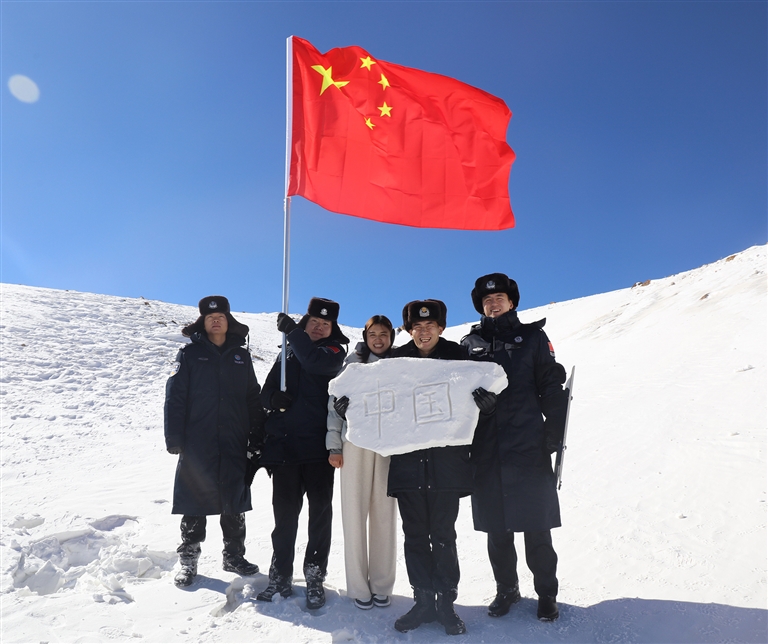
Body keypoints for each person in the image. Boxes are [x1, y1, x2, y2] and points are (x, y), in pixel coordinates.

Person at [461, 274, 569, 622]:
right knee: (497, 527)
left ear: (512, 303)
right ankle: (506, 588)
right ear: (481, 306)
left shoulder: (534, 338)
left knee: (537, 525)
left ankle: (546, 592)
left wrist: (553, 431)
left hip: (527, 443)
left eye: (500, 299)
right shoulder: (469, 344)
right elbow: (455, 393)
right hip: (486, 446)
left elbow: (551, 384)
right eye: (487, 301)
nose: (493, 304)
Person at [387, 299, 485, 636]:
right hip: (408, 464)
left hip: (446, 464)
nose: (423, 331)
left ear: (441, 327)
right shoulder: (395, 360)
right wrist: (351, 408)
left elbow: (478, 393)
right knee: (415, 536)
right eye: (417, 326)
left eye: (430, 326)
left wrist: (487, 404)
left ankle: (446, 603)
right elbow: (378, 399)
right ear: (409, 330)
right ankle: (423, 600)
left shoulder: (460, 357)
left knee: (443, 536)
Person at [164, 295, 266, 588]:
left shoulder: (241, 357)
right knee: (194, 499)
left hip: (234, 439)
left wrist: (257, 433)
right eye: (210, 318)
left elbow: (252, 396)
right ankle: (188, 560)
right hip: (198, 440)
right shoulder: (189, 354)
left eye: (220, 316)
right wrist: (174, 437)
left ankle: (234, 556)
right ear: (204, 323)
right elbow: (175, 396)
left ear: (228, 321)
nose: (216, 321)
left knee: (234, 498)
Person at [257, 297, 348, 609]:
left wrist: (294, 332)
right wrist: (274, 399)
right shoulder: (287, 353)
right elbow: (265, 393)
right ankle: (279, 575)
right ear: (306, 322)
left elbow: (315, 363)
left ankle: (314, 575)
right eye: (314, 322)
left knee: (319, 516)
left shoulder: (334, 352)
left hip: (318, 451)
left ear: (333, 329)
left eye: (326, 324)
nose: (319, 327)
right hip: (285, 449)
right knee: (284, 517)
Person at [326, 315, 398, 611]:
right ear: (365, 337)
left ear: (391, 337)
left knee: (384, 514)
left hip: (388, 445)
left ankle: (381, 584)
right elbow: (334, 408)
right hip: (354, 443)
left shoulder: (400, 364)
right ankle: (358, 586)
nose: (378, 339)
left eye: (383, 334)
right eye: (373, 334)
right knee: (354, 513)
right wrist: (334, 446)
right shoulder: (351, 365)